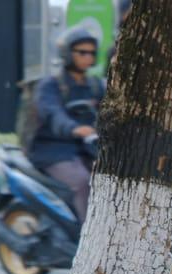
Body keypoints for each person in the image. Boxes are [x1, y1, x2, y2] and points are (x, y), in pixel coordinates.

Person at [30, 26, 106, 223]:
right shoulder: (50, 85)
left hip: (86, 149)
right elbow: (52, 113)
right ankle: (87, 237)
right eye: (82, 52)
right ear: (67, 53)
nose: (87, 57)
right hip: (53, 151)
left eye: (91, 53)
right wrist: (73, 128)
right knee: (83, 182)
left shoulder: (95, 85)